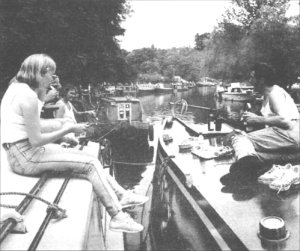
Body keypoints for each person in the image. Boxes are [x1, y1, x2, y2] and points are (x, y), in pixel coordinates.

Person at [0, 54, 148, 233]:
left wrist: (63, 124)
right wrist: (67, 131)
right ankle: (117, 217)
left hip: (19, 151)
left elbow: (32, 125)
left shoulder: (16, 88)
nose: (52, 80)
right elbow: (36, 139)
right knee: (90, 164)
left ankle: (121, 195)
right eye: (51, 75)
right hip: (25, 156)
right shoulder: (28, 96)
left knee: (86, 157)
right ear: (39, 73)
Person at [221, 62, 300, 186]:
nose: (250, 80)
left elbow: (286, 121)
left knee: (239, 138)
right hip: (292, 146)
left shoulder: (274, 94)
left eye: (252, 77)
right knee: (253, 153)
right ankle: (248, 171)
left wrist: (257, 119)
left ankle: (243, 173)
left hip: (292, 135)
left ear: (261, 80)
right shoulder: (268, 96)